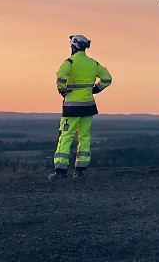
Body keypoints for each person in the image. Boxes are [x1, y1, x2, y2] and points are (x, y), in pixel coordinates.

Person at [48, 34, 112, 180]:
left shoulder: (70, 62)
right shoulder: (93, 64)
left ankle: (60, 171)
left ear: (73, 46)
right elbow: (107, 78)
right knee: (84, 137)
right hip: (88, 105)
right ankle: (80, 170)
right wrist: (95, 89)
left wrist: (63, 90)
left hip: (71, 107)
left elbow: (61, 77)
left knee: (66, 136)